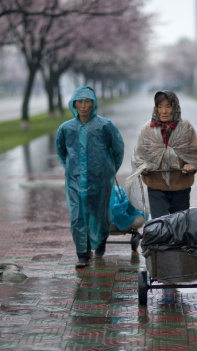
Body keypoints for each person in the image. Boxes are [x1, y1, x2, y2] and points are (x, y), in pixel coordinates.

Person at [124, 90, 197, 220]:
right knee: (160, 223)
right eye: (160, 106)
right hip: (156, 184)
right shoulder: (148, 129)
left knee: (180, 223)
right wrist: (143, 167)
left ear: (175, 107)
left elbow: (195, 152)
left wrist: (191, 164)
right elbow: (140, 154)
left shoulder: (185, 127)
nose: (164, 111)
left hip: (180, 185)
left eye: (168, 106)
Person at [55, 86, 124, 268]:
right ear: (74, 104)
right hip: (75, 180)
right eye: (79, 102)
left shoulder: (104, 125)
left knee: (99, 213)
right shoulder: (66, 129)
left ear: (93, 103)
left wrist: (109, 170)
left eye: (87, 101)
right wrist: (71, 168)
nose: (83, 106)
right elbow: (61, 151)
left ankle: (100, 241)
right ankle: (82, 254)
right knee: (77, 215)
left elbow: (118, 149)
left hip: (101, 179)